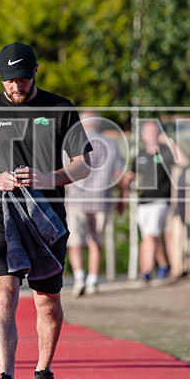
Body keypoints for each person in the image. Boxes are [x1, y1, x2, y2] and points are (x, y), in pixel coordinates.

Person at [0, 41, 91, 379]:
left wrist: (48, 178)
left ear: (35, 72)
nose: (15, 86)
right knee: (4, 292)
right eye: (8, 80)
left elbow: (83, 163)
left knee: (46, 303)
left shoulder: (60, 108)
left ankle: (43, 371)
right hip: (1, 216)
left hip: (46, 220)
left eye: (21, 78)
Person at [66, 111, 127, 296]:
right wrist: (122, 197)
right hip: (101, 199)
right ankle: (92, 280)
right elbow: (119, 174)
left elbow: (65, 171)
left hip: (76, 199)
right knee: (95, 240)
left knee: (75, 241)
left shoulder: (72, 143)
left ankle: (79, 277)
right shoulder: (111, 143)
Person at [123, 121, 189, 281]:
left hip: (160, 201)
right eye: (149, 131)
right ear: (143, 135)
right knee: (149, 236)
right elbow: (131, 175)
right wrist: (124, 192)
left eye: (155, 131)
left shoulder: (165, 152)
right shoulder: (139, 155)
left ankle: (146, 271)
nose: (152, 134)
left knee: (150, 236)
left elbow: (184, 161)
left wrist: (170, 141)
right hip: (143, 202)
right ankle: (164, 265)